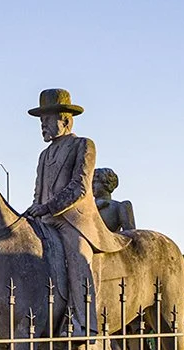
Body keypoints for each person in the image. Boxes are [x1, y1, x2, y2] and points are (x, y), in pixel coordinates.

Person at [23, 89, 125, 336]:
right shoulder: (44, 155)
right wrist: (31, 213)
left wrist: (47, 207)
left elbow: (80, 187)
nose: (43, 125)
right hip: (44, 220)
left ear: (66, 120)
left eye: (47, 119)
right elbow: (38, 192)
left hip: (73, 221)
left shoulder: (83, 145)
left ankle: (84, 323)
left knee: (78, 256)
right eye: (41, 121)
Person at [93, 168, 137, 235]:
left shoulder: (120, 206)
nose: (92, 186)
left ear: (106, 184)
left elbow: (130, 235)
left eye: (95, 182)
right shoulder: (83, 208)